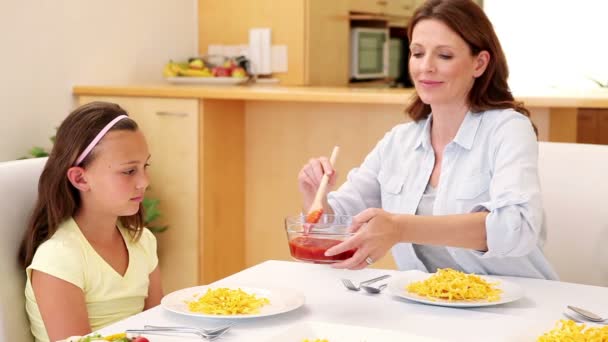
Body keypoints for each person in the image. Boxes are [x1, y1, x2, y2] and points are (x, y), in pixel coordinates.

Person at [297, 0, 558, 280]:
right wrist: (316, 198)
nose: (426, 67)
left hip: (515, 303)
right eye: (417, 53)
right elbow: (341, 224)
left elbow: (516, 227)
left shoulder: (508, 129)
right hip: (429, 303)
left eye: (444, 55)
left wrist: (400, 227)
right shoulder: (398, 142)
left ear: (479, 63)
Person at [19, 102, 163, 342]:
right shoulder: (59, 258)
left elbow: (159, 330)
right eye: (129, 171)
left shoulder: (143, 241)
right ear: (80, 178)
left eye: (144, 166)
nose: (144, 181)